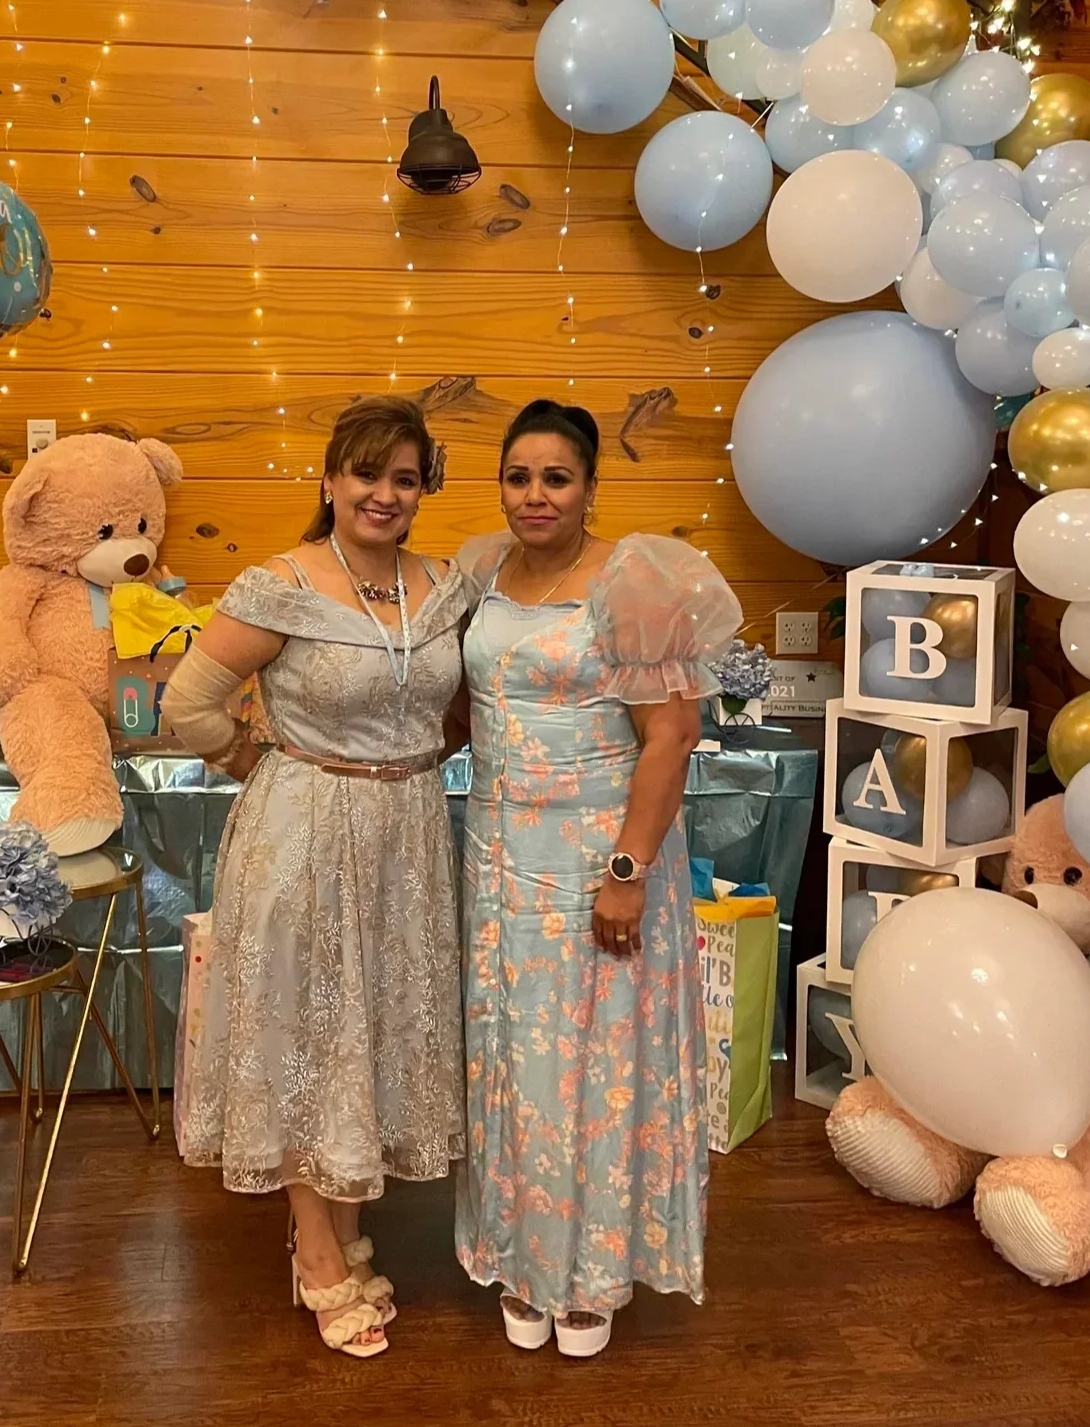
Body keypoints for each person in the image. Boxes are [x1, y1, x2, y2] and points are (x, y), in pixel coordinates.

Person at [163, 396, 468, 1360]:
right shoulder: (282, 585)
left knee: (369, 1022)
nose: (385, 493)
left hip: (410, 834)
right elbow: (190, 701)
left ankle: (327, 1220)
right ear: (330, 479)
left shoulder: (444, 585)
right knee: (303, 1026)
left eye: (405, 478)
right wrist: (260, 759)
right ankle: (319, 1255)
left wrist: (424, 756)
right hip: (303, 829)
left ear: (424, 489)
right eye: (367, 473)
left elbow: (455, 705)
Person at [454, 398, 742, 1358]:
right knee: (511, 1063)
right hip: (495, 856)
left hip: (599, 857)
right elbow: (462, 704)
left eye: (556, 477)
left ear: (588, 487)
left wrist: (628, 868)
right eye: (519, 476)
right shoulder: (477, 567)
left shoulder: (634, 579)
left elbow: (674, 733)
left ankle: (589, 1275)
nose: (535, 496)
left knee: (595, 1066)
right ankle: (518, 1253)